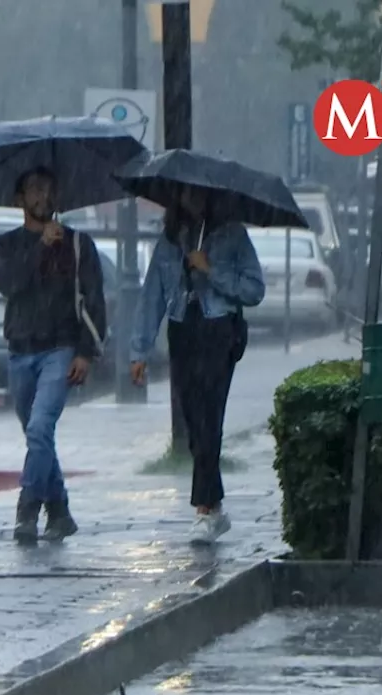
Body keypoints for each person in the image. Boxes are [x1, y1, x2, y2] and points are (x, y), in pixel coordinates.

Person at [130, 187, 264, 544]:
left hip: (219, 330)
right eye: (185, 194)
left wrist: (213, 269)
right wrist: (139, 350)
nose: (192, 201)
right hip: (182, 330)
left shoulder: (232, 235)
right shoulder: (170, 241)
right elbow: (152, 295)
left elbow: (254, 289)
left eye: (198, 195)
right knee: (192, 419)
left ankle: (203, 510)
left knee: (210, 417)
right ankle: (215, 505)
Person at [0, 167, 107, 544]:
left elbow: (94, 299)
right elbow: (10, 285)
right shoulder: (4, 246)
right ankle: (60, 511)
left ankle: (27, 510)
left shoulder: (77, 245)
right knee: (37, 438)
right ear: (19, 200)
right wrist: (40, 247)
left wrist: (86, 352)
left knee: (40, 429)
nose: (43, 197)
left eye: (49, 189)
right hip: (20, 351)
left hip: (60, 349)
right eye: (34, 190)